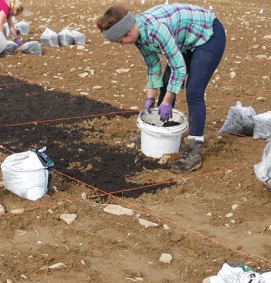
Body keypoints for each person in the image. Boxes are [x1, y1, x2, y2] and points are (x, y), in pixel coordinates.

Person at [97, 4, 226, 172]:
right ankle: (161, 130)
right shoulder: (138, 35)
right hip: (184, 40)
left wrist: (166, 102)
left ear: (128, 31)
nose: (121, 44)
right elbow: (153, 67)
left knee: (194, 91)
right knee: (166, 82)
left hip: (208, 35)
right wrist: (150, 97)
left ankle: (194, 152)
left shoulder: (156, 30)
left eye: (121, 40)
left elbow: (179, 69)